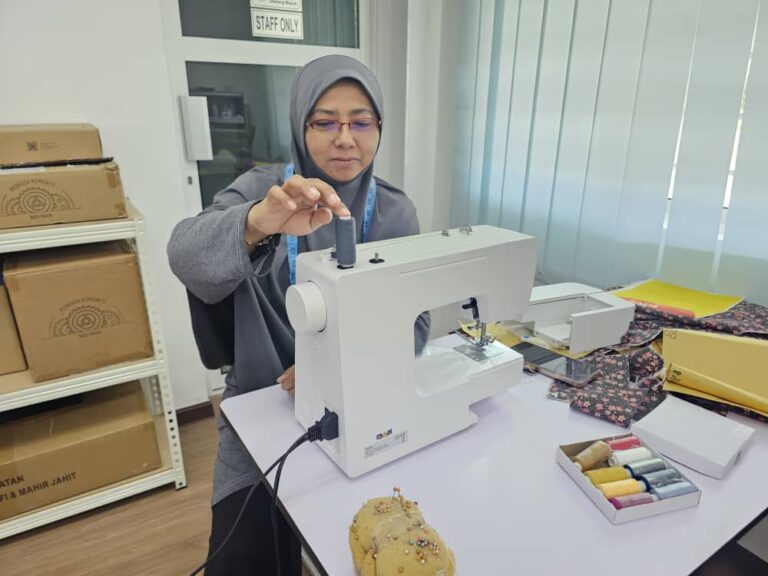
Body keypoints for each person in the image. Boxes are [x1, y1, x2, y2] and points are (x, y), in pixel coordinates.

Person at [167, 55, 430, 575]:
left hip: (363, 398)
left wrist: (336, 368)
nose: (345, 139)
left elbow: (416, 326)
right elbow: (184, 256)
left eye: (361, 122)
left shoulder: (396, 212)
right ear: (299, 125)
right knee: (245, 560)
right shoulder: (262, 192)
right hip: (262, 400)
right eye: (325, 122)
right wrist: (258, 223)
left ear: (379, 128)